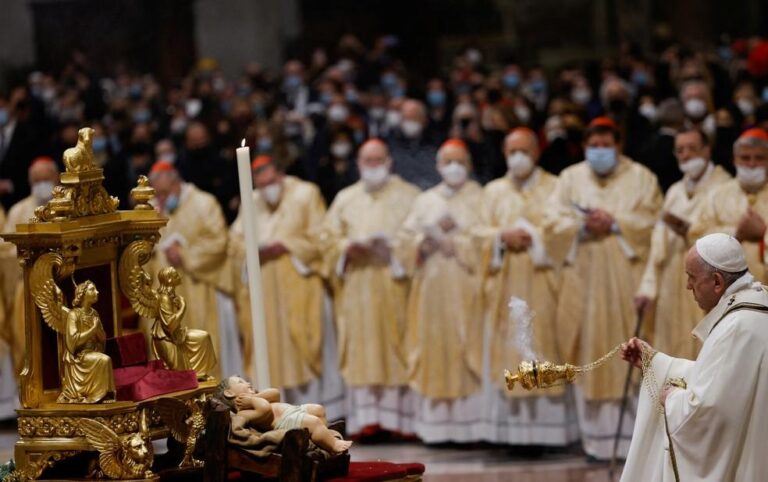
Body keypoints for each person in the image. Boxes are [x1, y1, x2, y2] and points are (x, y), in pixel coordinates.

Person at [543, 116, 662, 459]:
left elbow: (655, 221)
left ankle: (636, 443)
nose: (599, 151)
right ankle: (595, 441)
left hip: (628, 278)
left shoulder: (642, 177)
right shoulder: (569, 178)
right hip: (583, 278)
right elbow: (551, 221)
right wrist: (581, 226)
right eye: (593, 146)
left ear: (619, 146)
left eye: (606, 145)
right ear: (584, 147)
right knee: (590, 350)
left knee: (630, 350)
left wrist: (615, 223)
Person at [621, 233, 768, 481]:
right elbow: (723, 381)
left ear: (718, 282)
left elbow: (708, 409)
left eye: (692, 277)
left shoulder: (736, 326)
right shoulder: (757, 302)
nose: (688, 286)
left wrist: (672, 400)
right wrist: (655, 362)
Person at [480, 128, 577, 445]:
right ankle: (512, 435)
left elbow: (567, 229)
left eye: (524, 150)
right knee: (510, 347)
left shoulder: (555, 186)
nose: (517, 157)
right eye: (511, 152)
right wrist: (499, 237)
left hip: (543, 281)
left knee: (542, 343)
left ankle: (546, 434)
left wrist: (536, 238)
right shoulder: (493, 191)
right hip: (505, 282)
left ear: (537, 152)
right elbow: (474, 233)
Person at [319, 138, 420, 435]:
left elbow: (417, 237)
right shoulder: (345, 198)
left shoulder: (410, 195)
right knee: (362, 350)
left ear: (389, 161)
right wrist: (346, 249)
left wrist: (393, 250)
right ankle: (367, 421)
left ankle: (400, 422)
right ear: (359, 164)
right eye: (367, 161)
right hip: (357, 287)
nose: (373, 166)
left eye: (378, 160)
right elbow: (326, 240)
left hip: (395, 284)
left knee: (397, 347)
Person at [396, 139, 484, 442]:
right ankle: (435, 428)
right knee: (433, 345)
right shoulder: (426, 200)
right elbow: (404, 240)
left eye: (459, 161)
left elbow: (488, 241)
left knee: (466, 346)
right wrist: (423, 242)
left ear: (469, 165)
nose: (454, 167)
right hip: (431, 290)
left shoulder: (482, 197)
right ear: (438, 166)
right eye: (448, 161)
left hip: (468, 287)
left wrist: (456, 242)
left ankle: (471, 428)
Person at [229, 155, 328, 393]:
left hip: (298, 281)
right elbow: (234, 241)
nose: (267, 189)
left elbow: (322, 236)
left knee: (299, 345)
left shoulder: (306, 193)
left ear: (281, 175)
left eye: (271, 182)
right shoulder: (251, 201)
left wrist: (287, 246)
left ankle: (311, 406)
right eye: (262, 185)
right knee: (268, 347)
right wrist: (253, 250)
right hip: (264, 288)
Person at [635, 128, 731, 360]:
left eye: (692, 148)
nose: (686, 155)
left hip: (709, 280)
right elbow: (658, 242)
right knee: (672, 350)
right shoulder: (675, 191)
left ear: (707, 150)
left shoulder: (725, 187)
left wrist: (692, 230)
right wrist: (648, 287)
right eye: (680, 150)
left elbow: (731, 235)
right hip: (672, 279)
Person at [148, 161, 232, 377]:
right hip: (163, 297)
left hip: (200, 289)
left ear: (177, 182)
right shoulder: (150, 211)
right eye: (158, 195)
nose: (162, 200)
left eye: (165, 194)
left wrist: (185, 254)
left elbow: (219, 241)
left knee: (202, 343)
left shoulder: (203, 203)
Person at [0, 157, 59, 375]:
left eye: (46, 178)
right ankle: (31, 388)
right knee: (29, 341)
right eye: (37, 180)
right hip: (27, 288)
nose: (42, 184)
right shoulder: (17, 211)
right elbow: (6, 252)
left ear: (56, 178)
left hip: (62, 284)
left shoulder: (67, 206)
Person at [690, 128, 768, 282]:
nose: (752, 164)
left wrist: (764, 233)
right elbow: (696, 234)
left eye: (759, 158)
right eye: (745, 158)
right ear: (734, 160)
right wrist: (735, 234)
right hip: (726, 291)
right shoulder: (717, 195)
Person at [215, 375, 352, 454]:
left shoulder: (256, 398)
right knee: (314, 422)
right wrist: (253, 400)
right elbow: (265, 409)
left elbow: (275, 393)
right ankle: (333, 444)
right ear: (230, 393)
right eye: (241, 382)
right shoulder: (243, 412)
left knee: (318, 409)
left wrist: (255, 397)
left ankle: (321, 440)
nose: (248, 383)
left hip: (293, 411)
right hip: (286, 421)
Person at [387, 99, 442, 190]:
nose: (410, 122)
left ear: (424, 120)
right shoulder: (389, 146)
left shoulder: (436, 144)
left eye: (414, 118)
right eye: (406, 118)